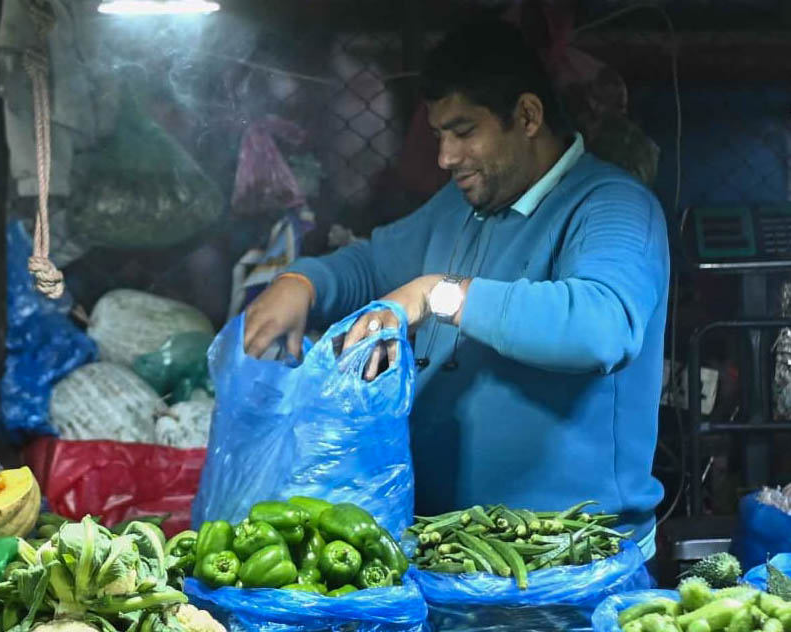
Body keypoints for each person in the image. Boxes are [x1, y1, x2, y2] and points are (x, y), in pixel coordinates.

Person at [244, 18, 669, 556]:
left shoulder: (612, 207)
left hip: (567, 559)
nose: (445, 157)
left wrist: (439, 294)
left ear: (527, 116)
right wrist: (302, 281)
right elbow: (374, 264)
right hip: (447, 552)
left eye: (464, 132)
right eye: (439, 134)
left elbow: (600, 326)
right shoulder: (463, 207)